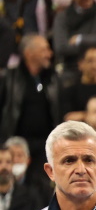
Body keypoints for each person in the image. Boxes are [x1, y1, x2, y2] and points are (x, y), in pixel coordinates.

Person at [0, 36, 61, 168]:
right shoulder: (8, 79)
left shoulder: (53, 78)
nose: (50, 54)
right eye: (44, 50)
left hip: (46, 146)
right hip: (15, 145)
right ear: (29, 53)